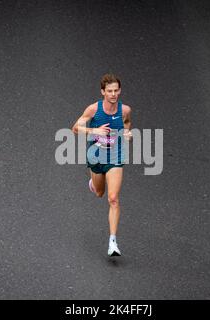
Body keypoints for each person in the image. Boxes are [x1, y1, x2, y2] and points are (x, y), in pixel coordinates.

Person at [72, 74, 132, 256]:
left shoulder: (125, 110)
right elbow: (75, 128)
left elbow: (127, 123)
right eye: (109, 91)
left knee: (113, 198)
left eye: (116, 91)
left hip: (115, 156)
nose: (113, 94)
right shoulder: (93, 109)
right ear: (103, 92)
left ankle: (112, 242)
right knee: (99, 193)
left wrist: (126, 134)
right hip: (96, 155)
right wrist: (94, 130)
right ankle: (93, 182)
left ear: (119, 91)